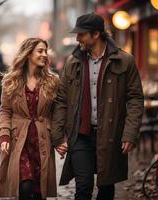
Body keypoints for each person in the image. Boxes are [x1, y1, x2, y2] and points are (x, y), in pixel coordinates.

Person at [51, 13, 144, 200]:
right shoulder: (72, 62)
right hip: (80, 135)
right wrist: (57, 135)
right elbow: (62, 100)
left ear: (96, 34)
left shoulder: (124, 60)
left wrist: (129, 133)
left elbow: (135, 99)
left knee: (106, 189)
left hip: (110, 135)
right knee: (83, 188)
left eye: (81, 34)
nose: (77, 39)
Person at [0, 38, 59, 200]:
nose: (44, 55)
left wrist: (60, 138)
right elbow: (5, 110)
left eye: (45, 51)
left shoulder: (53, 81)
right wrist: (4, 134)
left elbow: (58, 113)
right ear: (28, 53)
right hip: (19, 140)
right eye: (40, 51)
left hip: (42, 141)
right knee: (24, 187)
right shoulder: (11, 81)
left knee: (39, 190)